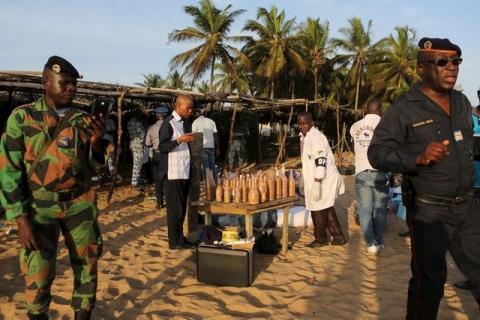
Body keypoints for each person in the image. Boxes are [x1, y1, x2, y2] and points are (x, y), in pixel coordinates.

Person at [368, 37, 480, 319]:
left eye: (456, 61)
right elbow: (377, 153)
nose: (451, 68)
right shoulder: (404, 108)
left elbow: (466, 145)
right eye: (442, 62)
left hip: (468, 207)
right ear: (421, 68)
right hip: (430, 211)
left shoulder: (462, 102)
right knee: (429, 282)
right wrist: (415, 158)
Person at [0, 56, 104, 320]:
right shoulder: (22, 118)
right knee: (38, 271)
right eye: (64, 82)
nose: (71, 88)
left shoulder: (83, 120)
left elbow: (94, 169)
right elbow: (9, 171)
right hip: (39, 206)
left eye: (74, 84)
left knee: (87, 267)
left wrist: (96, 143)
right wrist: (20, 219)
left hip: (79, 203)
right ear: (46, 82)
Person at [298, 112, 347, 247]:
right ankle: (338, 237)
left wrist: (317, 182)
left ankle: (320, 239)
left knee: (317, 209)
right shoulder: (304, 137)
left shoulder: (317, 138)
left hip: (324, 179)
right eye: (300, 123)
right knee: (326, 207)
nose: (303, 126)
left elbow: (321, 161)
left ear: (311, 123)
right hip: (317, 179)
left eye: (305, 123)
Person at [350, 97, 389, 255]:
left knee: (364, 210)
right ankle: (378, 242)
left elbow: (354, 147)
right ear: (379, 109)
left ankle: (370, 244)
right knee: (379, 209)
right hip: (379, 171)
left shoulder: (355, 126)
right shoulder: (385, 125)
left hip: (361, 171)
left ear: (366, 110)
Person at [159, 95, 195, 249]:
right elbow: (163, 146)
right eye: (188, 108)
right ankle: (174, 242)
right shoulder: (168, 124)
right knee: (175, 210)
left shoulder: (183, 124)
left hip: (184, 171)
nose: (190, 111)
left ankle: (180, 238)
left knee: (181, 210)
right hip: (173, 174)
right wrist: (180, 140)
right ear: (179, 106)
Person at [145, 105, 169, 208]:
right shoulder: (170, 127)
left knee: (158, 179)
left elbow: (147, 143)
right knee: (168, 178)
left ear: (156, 116)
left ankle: (159, 203)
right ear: (166, 116)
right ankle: (169, 201)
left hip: (156, 155)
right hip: (168, 155)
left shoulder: (151, 128)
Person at [192, 106, 220, 181]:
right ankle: (215, 181)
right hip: (211, 146)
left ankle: (207, 183)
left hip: (202, 147)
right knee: (212, 165)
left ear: (196, 114)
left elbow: (194, 137)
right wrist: (217, 148)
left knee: (205, 167)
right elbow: (216, 135)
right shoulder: (211, 121)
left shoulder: (195, 122)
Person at [127, 111, 147, 188]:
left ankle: (136, 180)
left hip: (132, 143)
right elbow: (142, 135)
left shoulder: (129, 123)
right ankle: (135, 182)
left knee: (136, 162)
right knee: (137, 164)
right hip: (138, 144)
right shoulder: (138, 123)